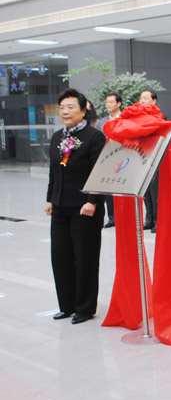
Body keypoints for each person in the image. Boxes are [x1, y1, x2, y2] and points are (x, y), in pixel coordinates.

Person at [45, 88, 106, 325]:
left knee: (85, 257)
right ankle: (67, 305)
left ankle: (85, 308)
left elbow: (100, 173)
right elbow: (54, 171)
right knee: (60, 256)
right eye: (62, 107)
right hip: (60, 205)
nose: (65, 112)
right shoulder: (57, 136)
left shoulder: (94, 137)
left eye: (71, 107)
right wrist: (50, 198)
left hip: (84, 207)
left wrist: (92, 201)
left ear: (83, 110)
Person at [96, 93, 122, 228]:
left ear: (119, 103)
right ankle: (112, 218)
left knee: (122, 187)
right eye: (107, 102)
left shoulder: (125, 119)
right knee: (109, 190)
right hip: (107, 158)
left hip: (122, 158)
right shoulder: (101, 122)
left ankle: (123, 216)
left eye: (111, 102)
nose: (108, 105)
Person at [139, 89, 161, 233]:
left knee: (155, 193)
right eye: (141, 98)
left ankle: (157, 221)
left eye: (146, 98)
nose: (142, 101)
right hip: (142, 158)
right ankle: (149, 220)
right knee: (145, 192)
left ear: (154, 100)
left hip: (155, 159)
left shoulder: (159, 117)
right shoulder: (138, 118)